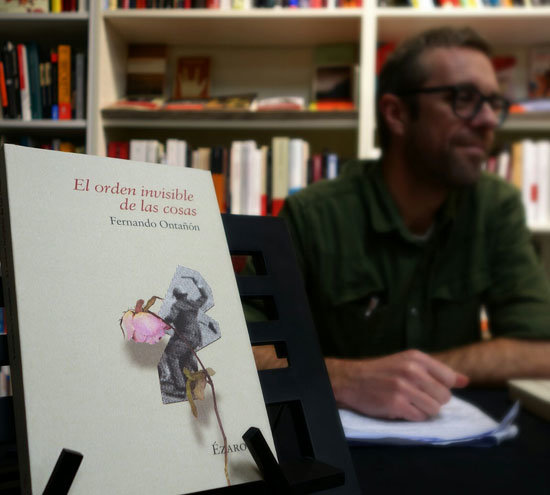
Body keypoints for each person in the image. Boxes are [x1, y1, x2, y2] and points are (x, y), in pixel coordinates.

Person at [269, 27, 550, 421]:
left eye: (494, 102)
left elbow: (540, 349)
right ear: (397, 114)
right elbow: (240, 350)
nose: (489, 120)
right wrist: (344, 377)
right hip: (341, 445)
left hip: (459, 440)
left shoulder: (494, 205)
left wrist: (416, 376)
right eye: (464, 99)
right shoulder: (311, 216)